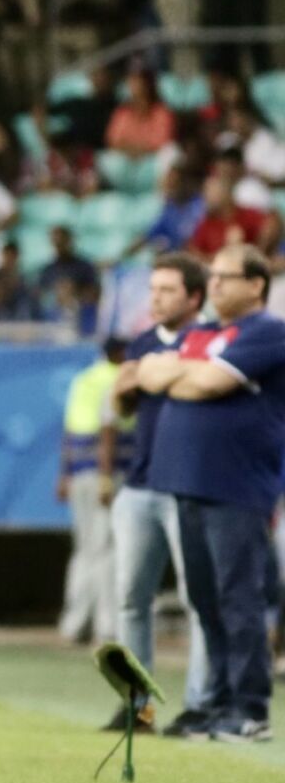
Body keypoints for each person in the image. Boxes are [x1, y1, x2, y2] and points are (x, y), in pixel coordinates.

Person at [139, 244, 285, 742]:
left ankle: (249, 707)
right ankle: (214, 703)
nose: (215, 285)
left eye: (225, 277)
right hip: (187, 480)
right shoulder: (203, 332)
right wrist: (188, 375)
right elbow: (149, 373)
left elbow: (206, 385)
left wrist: (184, 375)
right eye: (213, 277)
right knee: (204, 600)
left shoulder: (270, 332)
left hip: (235, 484)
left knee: (238, 598)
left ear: (256, 285)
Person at [105, 253, 212, 737]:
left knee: (197, 599)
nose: (156, 299)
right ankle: (138, 705)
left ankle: (201, 704)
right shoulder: (143, 342)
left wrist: (149, 373)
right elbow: (122, 399)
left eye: (168, 290)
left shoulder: (211, 338)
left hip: (190, 485)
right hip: (140, 482)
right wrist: (142, 374)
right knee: (131, 598)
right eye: (153, 290)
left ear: (194, 296)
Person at [57, 337, 127, 644]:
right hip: (105, 471)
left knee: (84, 549)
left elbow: (70, 428)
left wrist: (64, 474)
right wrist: (106, 477)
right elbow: (107, 429)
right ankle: (106, 626)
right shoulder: (118, 378)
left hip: (79, 471)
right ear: (118, 353)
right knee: (107, 549)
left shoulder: (84, 378)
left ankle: (73, 624)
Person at [187, 176, 273, 262]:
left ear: (226, 193)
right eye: (206, 191)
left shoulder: (247, 214)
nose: (207, 196)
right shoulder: (205, 224)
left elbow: (272, 223)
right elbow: (196, 257)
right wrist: (229, 250)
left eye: (212, 192)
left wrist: (260, 249)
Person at [38, 226, 99, 336]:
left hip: (81, 321)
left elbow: (94, 293)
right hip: (53, 321)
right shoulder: (47, 270)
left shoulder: (84, 267)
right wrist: (57, 295)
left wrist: (73, 294)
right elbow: (41, 296)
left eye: (62, 242)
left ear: (69, 241)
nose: (59, 246)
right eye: (56, 243)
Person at [105, 70, 174, 160]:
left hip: (151, 158)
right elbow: (113, 139)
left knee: (171, 152)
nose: (136, 85)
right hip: (126, 157)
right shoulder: (122, 111)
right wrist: (131, 149)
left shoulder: (162, 111)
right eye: (132, 81)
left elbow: (162, 141)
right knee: (107, 157)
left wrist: (140, 149)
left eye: (139, 81)